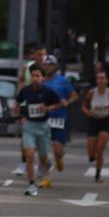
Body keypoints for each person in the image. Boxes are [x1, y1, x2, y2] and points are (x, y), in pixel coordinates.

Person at [15, 62, 64, 196]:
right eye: (33, 75)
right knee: (30, 154)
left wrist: (48, 108)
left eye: (38, 76)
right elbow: (18, 103)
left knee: (42, 158)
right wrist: (21, 116)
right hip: (29, 126)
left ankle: (46, 165)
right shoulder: (25, 90)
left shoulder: (48, 91)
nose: (35, 78)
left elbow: (59, 103)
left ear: (43, 78)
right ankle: (31, 185)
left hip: (43, 127)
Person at [12, 43, 48, 177]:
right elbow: (21, 82)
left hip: (42, 104)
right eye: (39, 55)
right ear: (34, 55)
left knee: (41, 136)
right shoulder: (27, 68)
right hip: (27, 104)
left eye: (44, 55)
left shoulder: (47, 67)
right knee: (25, 133)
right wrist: (18, 101)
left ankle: (41, 164)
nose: (42, 57)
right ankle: (23, 163)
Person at [81, 63, 109, 183]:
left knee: (100, 148)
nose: (101, 81)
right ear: (96, 81)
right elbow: (84, 106)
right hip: (93, 122)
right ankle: (95, 158)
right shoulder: (92, 93)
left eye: (103, 78)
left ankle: (98, 174)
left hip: (105, 121)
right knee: (91, 154)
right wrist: (88, 112)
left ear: (107, 81)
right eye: (99, 78)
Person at [42, 55, 76, 180]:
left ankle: (59, 158)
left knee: (57, 150)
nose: (47, 67)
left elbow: (74, 95)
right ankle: (46, 178)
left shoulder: (63, 81)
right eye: (45, 64)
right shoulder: (40, 81)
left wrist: (67, 102)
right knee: (43, 150)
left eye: (49, 64)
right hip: (44, 118)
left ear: (55, 67)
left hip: (60, 118)